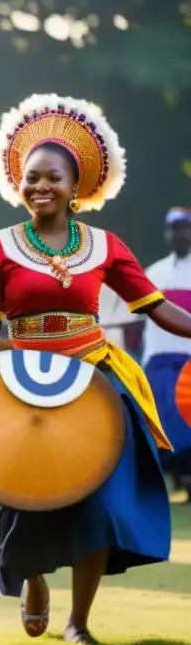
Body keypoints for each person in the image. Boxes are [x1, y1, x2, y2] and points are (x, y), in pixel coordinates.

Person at [0, 94, 191, 645]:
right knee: (27, 498)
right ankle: (35, 582)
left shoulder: (105, 246)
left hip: (95, 382)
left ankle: (79, 622)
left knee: (101, 503)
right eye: (31, 177)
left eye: (53, 178)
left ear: (77, 187)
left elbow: (157, 308)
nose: (40, 186)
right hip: (22, 385)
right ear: (17, 183)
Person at [142, 207, 191, 497]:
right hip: (158, 361)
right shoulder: (154, 272)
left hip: (187, 360)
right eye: (173, 229)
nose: (178, 234)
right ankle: (170, 480)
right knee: (158, 422)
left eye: (183, 228)